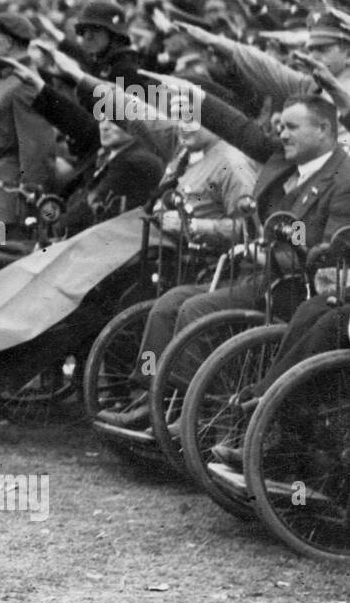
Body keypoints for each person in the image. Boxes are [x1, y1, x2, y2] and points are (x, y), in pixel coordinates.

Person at [133, 91, 350, 386]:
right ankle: (148, 386)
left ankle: (193, 404)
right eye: (281, 127)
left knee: (196, 309)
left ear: (324, 129)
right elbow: (243, 134)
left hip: (293, 288)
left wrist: (268, 253)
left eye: (292, 128)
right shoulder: (284, 165)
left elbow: (329, 256)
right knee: (168, 303)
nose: (282, 135)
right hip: (253, 276)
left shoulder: (343, 179)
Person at [0, 13, 56, 239]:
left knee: (8, 250)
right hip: (1, 182)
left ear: (8, 42)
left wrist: (30, 196)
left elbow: (36, 147)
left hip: (12, 189)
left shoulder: (22, 83)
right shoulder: (8, 79)